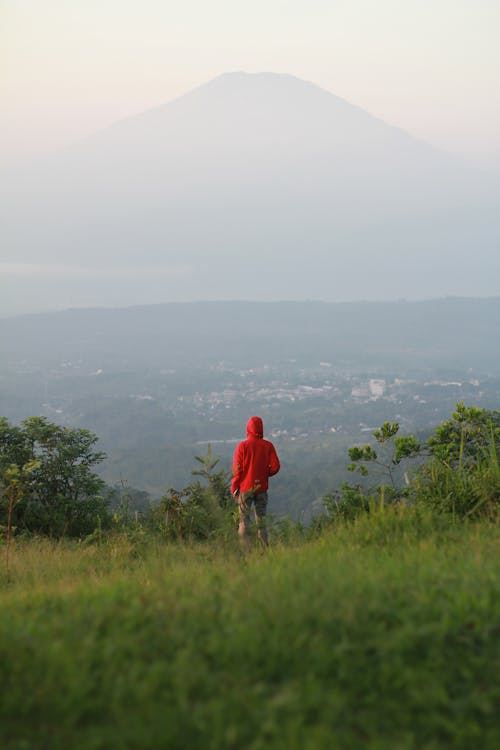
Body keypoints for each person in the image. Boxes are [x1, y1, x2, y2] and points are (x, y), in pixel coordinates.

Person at [231, 416, 280, 548]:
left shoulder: (242, 446)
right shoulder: (268, 446)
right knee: (261, 522)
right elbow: (275, 467)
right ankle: (264, 551)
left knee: (244, 523)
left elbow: (237, 470)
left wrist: (234, 487)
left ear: (248, 428)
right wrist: (265, 474)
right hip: (261, 488)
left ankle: (245, 551)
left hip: (245, 489)